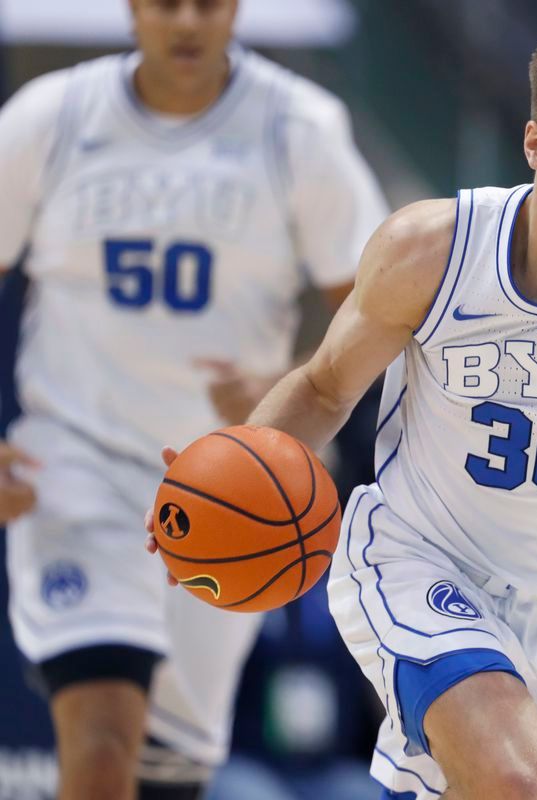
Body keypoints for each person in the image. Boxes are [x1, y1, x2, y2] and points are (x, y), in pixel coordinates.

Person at [148, 21, 537, 800]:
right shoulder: (432, 249)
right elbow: (322, 389)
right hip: (418, 555)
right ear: (535, 145)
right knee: (511, 775)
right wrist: (215, 492)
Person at [0, 1, 389, 798]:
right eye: (165, 2)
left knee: (169, 772)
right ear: (133, 8)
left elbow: (380, 304)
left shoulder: (298, 128)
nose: (185, 22)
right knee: (102, 736)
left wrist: (291, 381)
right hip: (76, 465)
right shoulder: (53, 117)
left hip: (226, 484)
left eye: (206, 3)